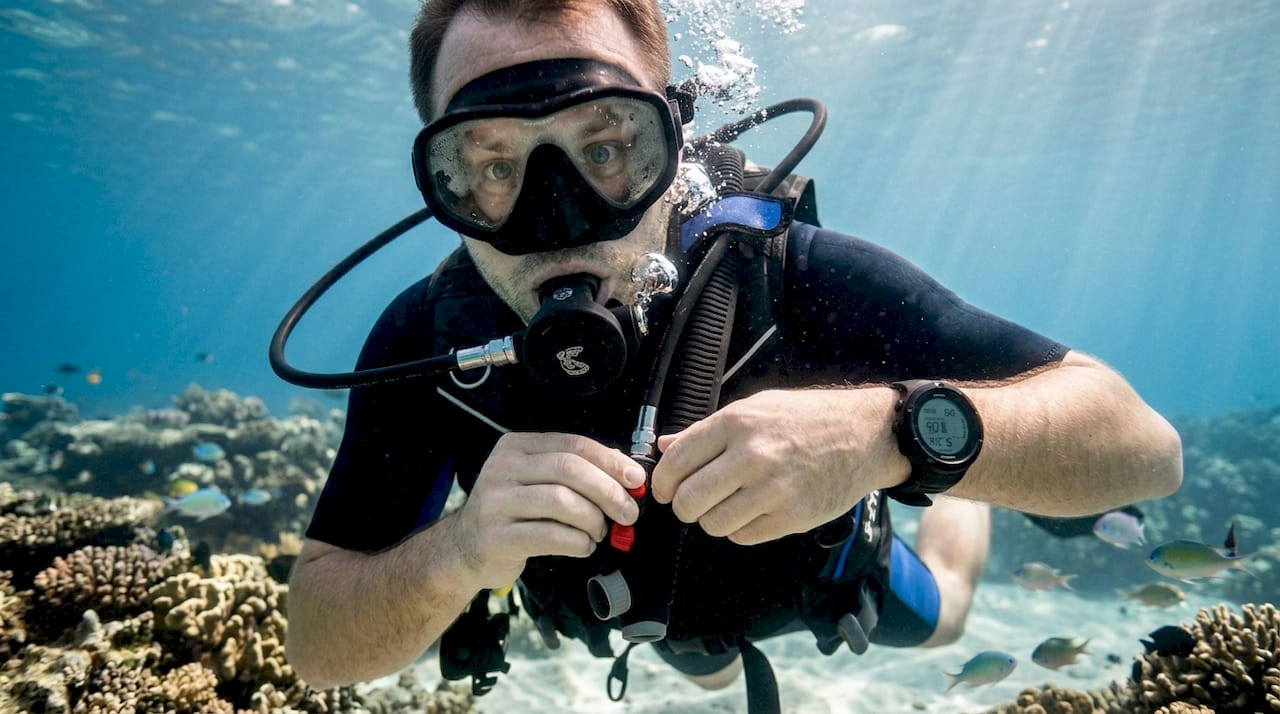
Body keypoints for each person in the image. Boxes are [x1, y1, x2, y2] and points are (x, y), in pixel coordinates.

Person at [284, 0, 1183, 709]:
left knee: (944, 614)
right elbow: (317, 647)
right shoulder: (430, 344)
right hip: (653, 625)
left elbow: (1146, 449)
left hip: (820, 582)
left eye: (603, 147)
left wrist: (892, 431)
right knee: (699, 665)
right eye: (490, 164)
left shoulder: (791, 277)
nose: (556, 220)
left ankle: (959, 504)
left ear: (670, 145)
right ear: (440, 181)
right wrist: (456, 554)